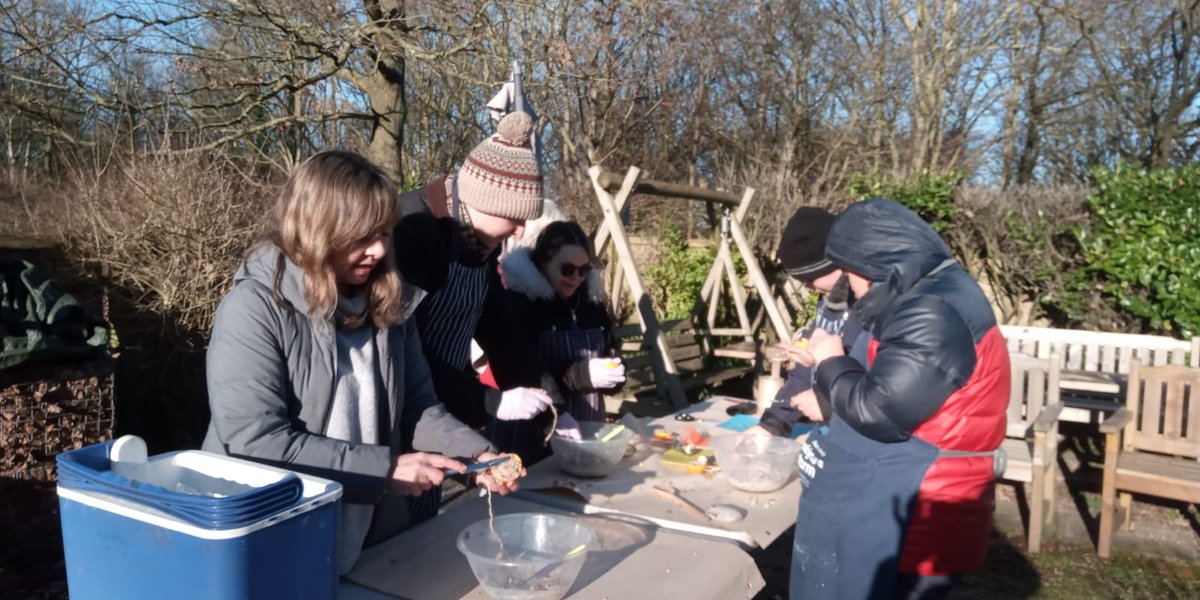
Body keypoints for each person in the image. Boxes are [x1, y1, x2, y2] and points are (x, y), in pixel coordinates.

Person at [202, 151, 521, 575]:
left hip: (367, 535)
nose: (377, 250)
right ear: (317, 228)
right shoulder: (254, 308)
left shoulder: (390, 301)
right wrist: (384, 471)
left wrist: (476, 455)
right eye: (361, 236)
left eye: (385, 234)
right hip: (271, 540)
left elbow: (416, 406)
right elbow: (255, 441)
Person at [788, 198, 1010, 600]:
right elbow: (897, 389)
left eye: (849, 274)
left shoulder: (931, 310)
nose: (851, 289)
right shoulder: (925, 294)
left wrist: (830, 360)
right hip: (899, 499)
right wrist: (831, 398)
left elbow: (881, 412)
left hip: (917, 511)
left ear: (867, 265)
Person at [393, 111, 571, 436]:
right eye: (513, 219)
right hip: (399, 413)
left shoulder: (480, 241)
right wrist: (489, 401)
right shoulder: (413, 232)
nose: (519, 233)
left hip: (446, 410)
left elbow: (502, 333)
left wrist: (554, 407)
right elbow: (401, 348)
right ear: (484, 202)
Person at [493, 220, 626, 462]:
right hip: (530, 436)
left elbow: (611, 348)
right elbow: (520, 372)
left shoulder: (592, 305)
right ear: (543, 262)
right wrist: (582, 375)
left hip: (585, 430)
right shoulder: (519, 304)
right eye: (567, 269)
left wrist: (615, 373)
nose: (576, 277)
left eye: (584, 270)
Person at [748, 207, 865, 437]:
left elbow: (882, 389)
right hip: (829, 434)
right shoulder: (828, 301)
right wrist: (772, 423)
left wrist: (827, 402)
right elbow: (802, 375)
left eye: (809, 278)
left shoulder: (867, 310)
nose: (808, 287)